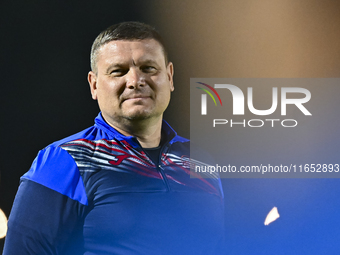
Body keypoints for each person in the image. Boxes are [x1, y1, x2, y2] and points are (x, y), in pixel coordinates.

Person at [3, 22, 224, 255]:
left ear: (169, 77)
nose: (135, 81)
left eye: (149, 68)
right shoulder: (65, 160)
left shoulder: (199, 161)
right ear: (94, 84)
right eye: (118, 71)